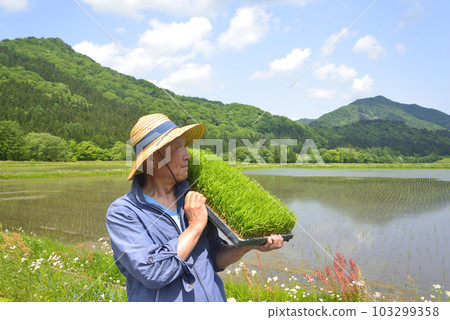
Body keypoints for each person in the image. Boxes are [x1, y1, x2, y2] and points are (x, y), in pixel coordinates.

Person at [106, 113, 283, 302]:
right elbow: (153, 272)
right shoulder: (123, 213)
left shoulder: (192, 200)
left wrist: (246, 246)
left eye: (185, 146)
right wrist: (195, 226)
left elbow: (213, 257)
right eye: (178, 147)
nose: (187, 155)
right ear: (152, 160)